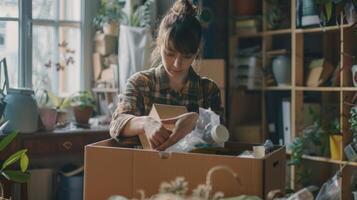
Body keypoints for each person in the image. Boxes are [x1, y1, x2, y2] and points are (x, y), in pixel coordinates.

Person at [110, 0, 223, 150]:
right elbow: (116, 124)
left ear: (196, 53)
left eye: (187, 56)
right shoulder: (140, 83)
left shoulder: (208, 90)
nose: (177, 64)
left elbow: (221, 137)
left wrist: (199, 120)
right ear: (159, 44)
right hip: (147, 168)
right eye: (170, 54)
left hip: (193, 170)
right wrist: (146, 123)